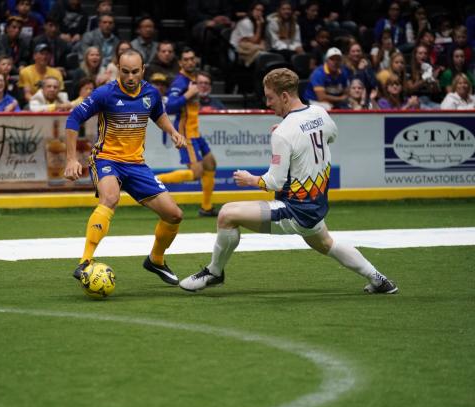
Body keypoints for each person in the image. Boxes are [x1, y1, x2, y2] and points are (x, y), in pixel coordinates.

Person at [179, 68, 398, 295]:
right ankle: (379, 279)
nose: (268, 103)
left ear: (285, 96)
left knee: (227, 214)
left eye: (270, 97)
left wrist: (250, 179)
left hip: (296, 209)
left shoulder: (283, 133)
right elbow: (331, 136)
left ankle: (214, 272)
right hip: (316, 205)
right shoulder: (320, 113)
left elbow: (274, 182)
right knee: (326, 244)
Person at [64, 49, 187, 285]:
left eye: (134, 72)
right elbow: (73, 119)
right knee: (110, 198)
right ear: (118, 69)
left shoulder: (150, 92)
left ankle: (156, 260)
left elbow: (157, 113)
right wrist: (71, 159)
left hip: (136, 164)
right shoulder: (104, 94)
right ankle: (85, 262)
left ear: (143, 70)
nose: (130, 77)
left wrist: (172, 132)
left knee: (174, 215)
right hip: (106, 159)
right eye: (125, 72)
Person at [155, 47, 219, 217]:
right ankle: (155, 180)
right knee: (196, 173)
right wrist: (189, 94)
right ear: (181, 63)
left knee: (210, 164)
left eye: (192, 58)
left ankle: (206, 208)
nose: (190, 62)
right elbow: (169, 107)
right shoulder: (180, 82)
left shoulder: (193, 78)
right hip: (186, 133)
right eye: (186, 59)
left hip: (195, 132)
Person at [230, 1, 267, 67]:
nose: (259, 13)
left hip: (252, 48)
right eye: (257, 10)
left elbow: (261, 40)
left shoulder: (259, 22)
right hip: (238, 50)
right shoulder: (245, 22)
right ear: (251, 11)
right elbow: (255, 41)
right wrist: (259, 26)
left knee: (265, 55)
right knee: (262, 55)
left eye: (262, 11)